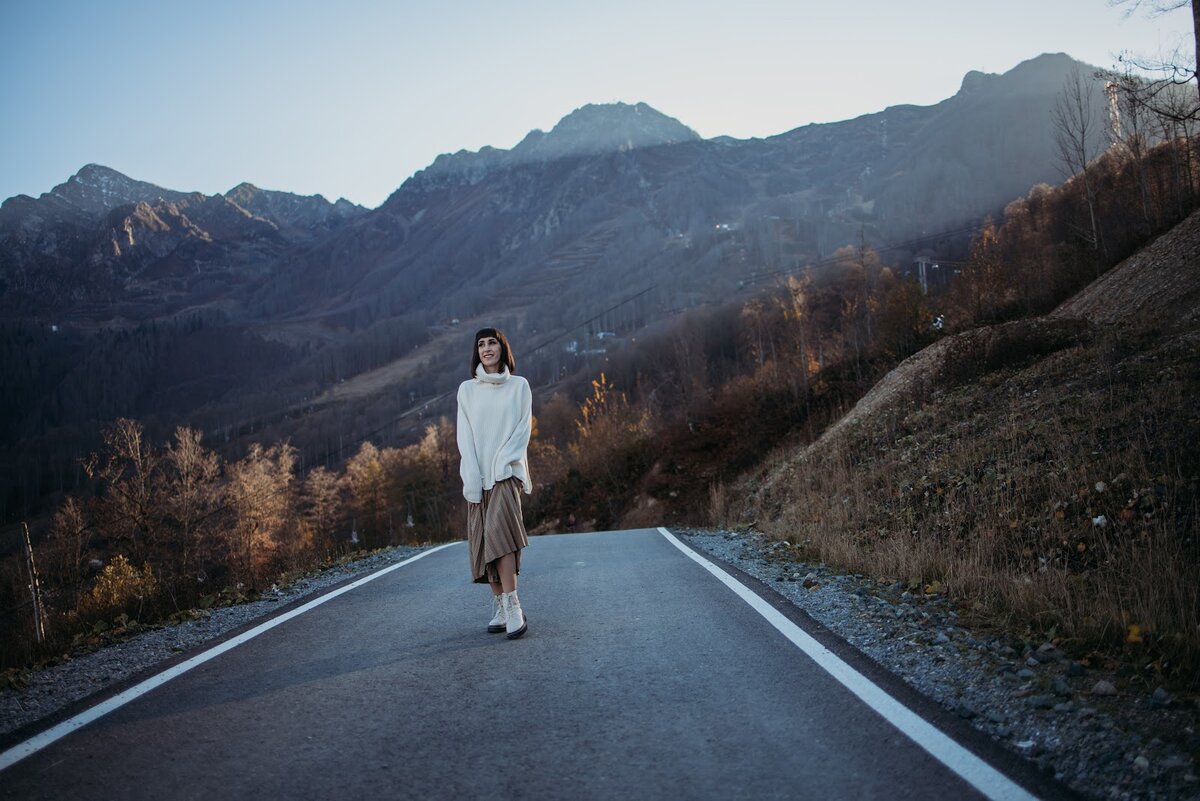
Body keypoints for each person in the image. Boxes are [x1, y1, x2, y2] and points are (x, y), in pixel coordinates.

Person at [456, 327, 532, 639]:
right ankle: (500, 604)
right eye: (482, 344)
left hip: (506, 473)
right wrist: (472, 475)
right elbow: (465, 436)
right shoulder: (466, 391)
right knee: (486, 541)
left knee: (502, 537)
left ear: (502, 348)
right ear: (477, 351)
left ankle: (513, 605)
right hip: (479, 475)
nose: (487, 349)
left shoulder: (519, 386)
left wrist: (503, 462)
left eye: (493, 343)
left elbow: (522, 429)